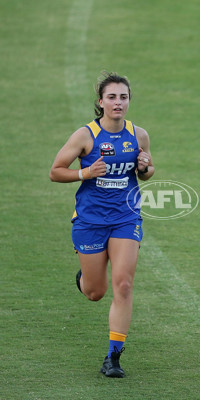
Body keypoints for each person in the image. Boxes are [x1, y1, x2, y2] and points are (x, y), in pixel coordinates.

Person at [49, 72, 154, 378]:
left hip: (126, 218)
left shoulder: (139, 135)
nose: (118, 102)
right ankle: (86, 276)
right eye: (112, 97)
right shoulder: (85, 136)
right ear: (100, 102)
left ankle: (113, 357)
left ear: (129, 100)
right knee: (96, 292)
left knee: (123, 284)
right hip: (90, 221)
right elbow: (55, 171)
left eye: (123, 97)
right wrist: (84, 174)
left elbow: (146, 172)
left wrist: (147, 168)